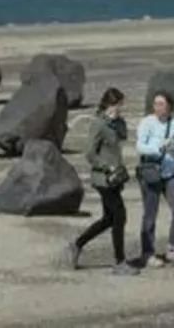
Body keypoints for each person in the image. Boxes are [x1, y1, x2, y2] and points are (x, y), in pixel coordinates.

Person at [65, 87, 138, 275]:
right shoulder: (98, 124)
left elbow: (123, 136)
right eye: (118, 105)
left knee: (108, 219)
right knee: (120, 216)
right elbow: (89, 152)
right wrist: (106, 166)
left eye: (121, 105)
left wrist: (118, 121)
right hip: (103, 179)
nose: (120, 108)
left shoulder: (115, 122)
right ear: (109, 104)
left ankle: (78, 244)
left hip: (115, 178)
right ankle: (119, 262)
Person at [135, 90, 174, 268]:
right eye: (155, 104)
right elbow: (140, 147)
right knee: (150, 215)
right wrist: (158, 147)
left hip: (170, 172)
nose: (157, 107)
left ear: (169, 106)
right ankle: (147, 253)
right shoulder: (147, 123)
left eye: (161, 104)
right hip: (151, 172)